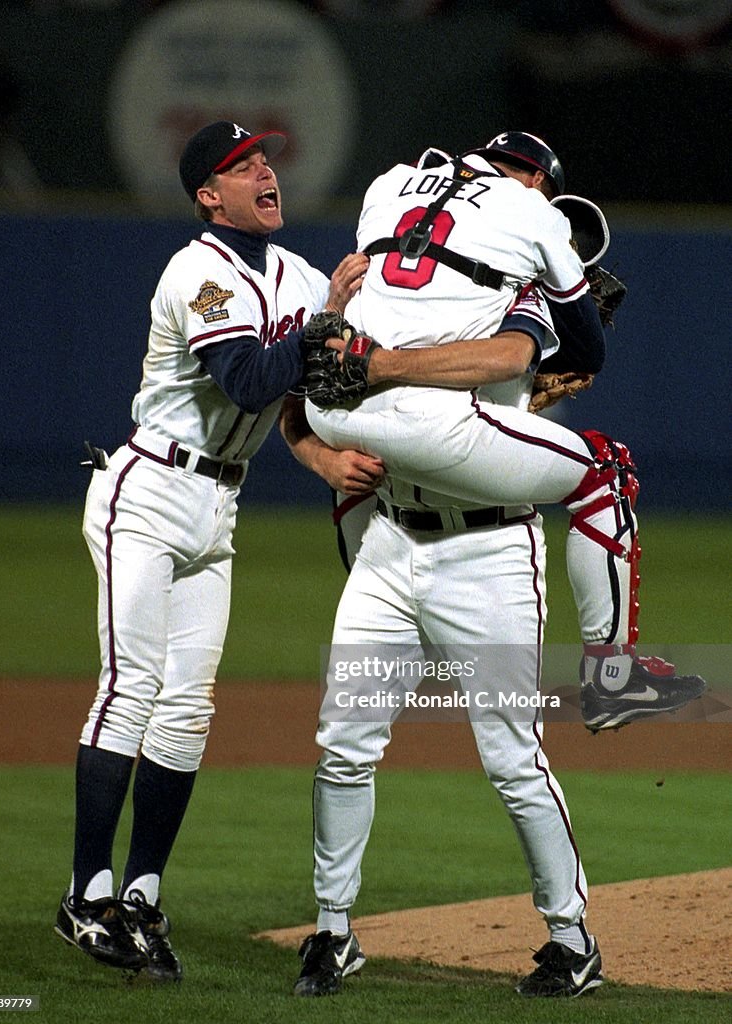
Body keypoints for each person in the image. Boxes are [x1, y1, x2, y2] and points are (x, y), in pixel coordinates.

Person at [281, 132, 704, 998]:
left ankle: (569, 939)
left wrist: (538, 382)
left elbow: (505, 376)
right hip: (404, 537)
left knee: (496, 755)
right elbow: (522, 354)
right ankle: (331, 931)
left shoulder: (422, 229)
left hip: (479, 549)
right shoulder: (496, 257)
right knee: (349, 743)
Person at [54, 119, 380, 982]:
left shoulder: (298, 276)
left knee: (189, 709)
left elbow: (350, 350)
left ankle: (141, 898)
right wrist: (332, 323)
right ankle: (84, 899)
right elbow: (248, 378)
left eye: (268, 157)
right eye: (244, 165)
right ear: (210, 195)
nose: (266, 170)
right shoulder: (197, 269)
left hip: (217, 504)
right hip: (149, 490)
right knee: (130, 690)